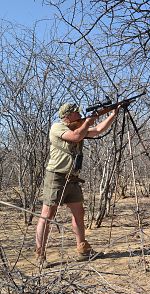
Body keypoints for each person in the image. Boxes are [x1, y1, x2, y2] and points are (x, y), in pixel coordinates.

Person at [35, 103, 119, 268]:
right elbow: (75, 137)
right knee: (47, 215)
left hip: (73, 178)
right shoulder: (57, 127)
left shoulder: (79, 127)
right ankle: (40, 254)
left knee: (79, 213)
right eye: (76, 113)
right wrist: (88, 121)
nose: (79, 114)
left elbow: (98, 130)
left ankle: (82, 250)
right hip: (56, 177)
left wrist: (112, 114)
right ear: (68, 115)